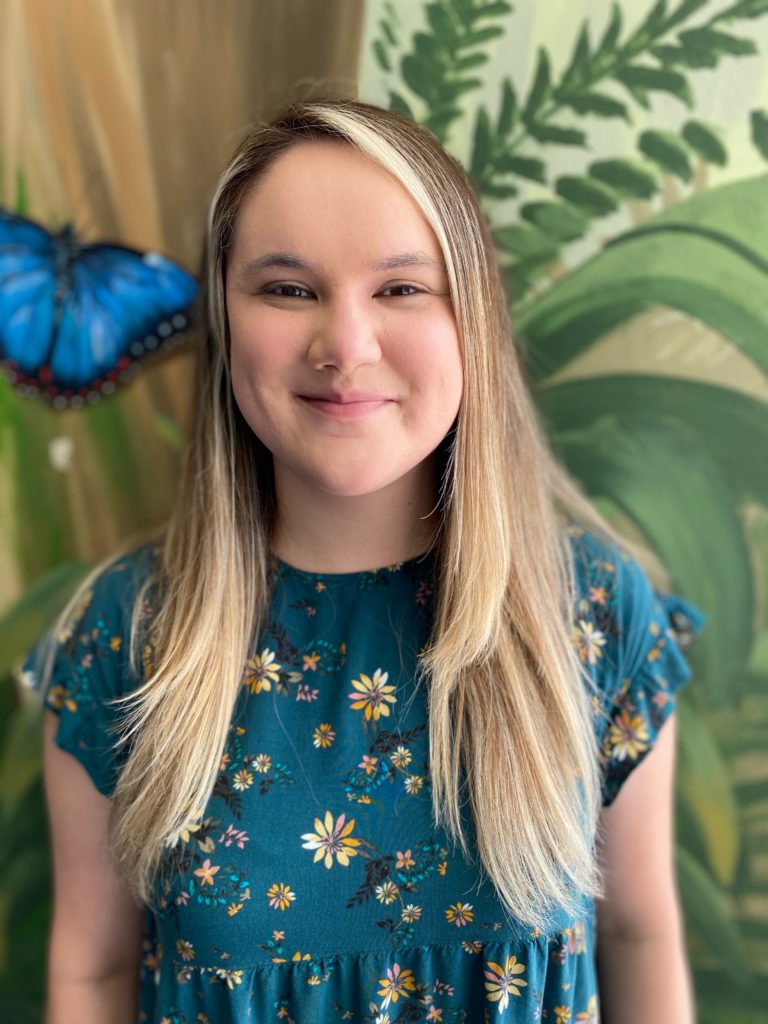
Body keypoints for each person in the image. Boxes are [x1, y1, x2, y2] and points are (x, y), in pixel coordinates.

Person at [21, 96, 706, 1023]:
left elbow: (640, 935)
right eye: (287, 288)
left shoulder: (589, 610)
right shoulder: (128, 631)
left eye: (402, 289)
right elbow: (93, 971)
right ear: (225, 319)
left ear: (472, 318)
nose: (345, 345)